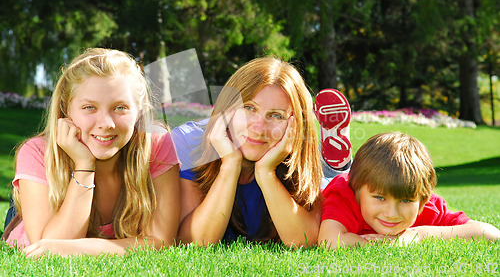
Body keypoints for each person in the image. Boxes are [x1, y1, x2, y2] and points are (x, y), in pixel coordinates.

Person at [3, 48, 180, 257]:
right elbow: (46, 249)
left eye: (120, 108)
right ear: (65, 109)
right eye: (89, 107)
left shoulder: (156, 146)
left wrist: (81, 249)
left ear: (139, 111)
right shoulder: (36, 153)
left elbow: (161, 240)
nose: (106, 124)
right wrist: (84, 165)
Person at [172, 57, 325, 247]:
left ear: (296, 126)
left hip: (314, 166)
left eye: (276, 115)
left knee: (335, 186)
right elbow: (193, 242)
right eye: (249, 108)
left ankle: (339, 167)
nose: (259, 128)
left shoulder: (297, 150)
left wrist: (266, 173)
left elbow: (304, 242)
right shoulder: (189, 141)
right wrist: (230, 164)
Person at [318, 132, 500, 248]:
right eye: (380, 197)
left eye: (405, 201)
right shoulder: (344, 195)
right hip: (326, 186)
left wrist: (417, 235)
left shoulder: (429, 206)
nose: (391, 213)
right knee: (319, 185)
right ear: (357, 191)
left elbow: (490, 234)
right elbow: (329, 241)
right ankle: (330, 163)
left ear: (423, 199)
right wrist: (380, 245)